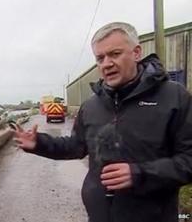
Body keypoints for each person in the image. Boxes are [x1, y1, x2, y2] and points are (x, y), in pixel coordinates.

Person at [13, 22, 192, 222]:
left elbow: (188, 161)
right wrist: (39, 143)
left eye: (115, 54)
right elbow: (76, 146)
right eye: (100, 58)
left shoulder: (174, 97)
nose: (106, 63)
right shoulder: (91, 105)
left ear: (136, 53)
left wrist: (140, 174)